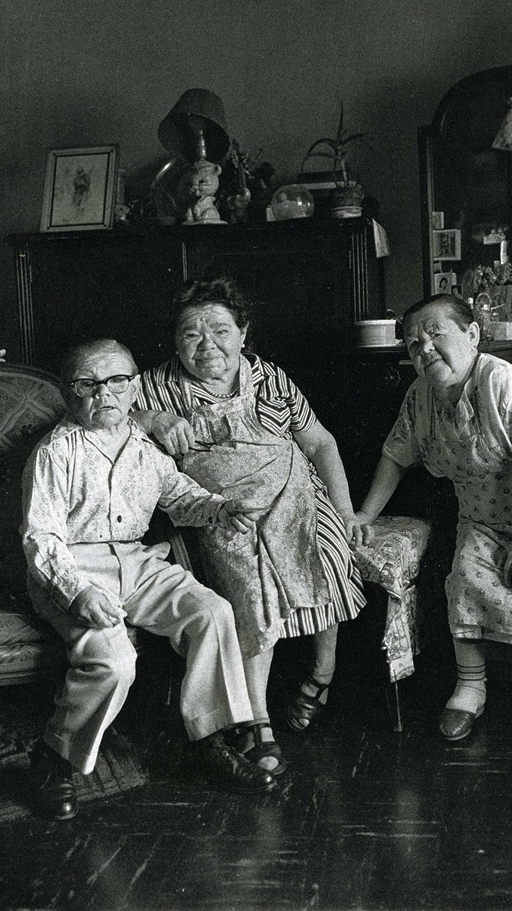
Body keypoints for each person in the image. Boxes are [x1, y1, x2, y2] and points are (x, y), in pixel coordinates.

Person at [351, 294, 512, 764]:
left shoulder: (501, 382)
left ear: (472, 335)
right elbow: (395, 455)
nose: (425, 349)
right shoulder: (420, 397)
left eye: (437, 334)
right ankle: (471, 688)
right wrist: (365, 516)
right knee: (466, 579)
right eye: (414, 343)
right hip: (485, 514)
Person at [22, 338, 276, 821]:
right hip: (73, 568)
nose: (105, 394)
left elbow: (179, 494)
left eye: (117, 381)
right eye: (88, 384)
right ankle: (53, 757)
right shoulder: (55, 451)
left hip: (136, 563)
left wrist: (221, 509)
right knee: (115, 662)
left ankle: (210, 739)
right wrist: (76, 592)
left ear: (135, 386)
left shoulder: (143, 446)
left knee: (212, 612)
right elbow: (41, 537)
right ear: (68, 394)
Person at [132, 277, 366, 777]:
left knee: (326, 550)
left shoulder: (272, 379)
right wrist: (150, 418)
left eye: (220, 330)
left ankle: (321, 676)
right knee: (247, 582)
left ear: (243, 334)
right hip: (221, 508)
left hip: (294, 493)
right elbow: (100, 410)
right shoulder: (153, 385)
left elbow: (321, 443)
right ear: (175, 342)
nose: (207, 345)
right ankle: (257, 717)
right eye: (191, 334)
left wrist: (346, 513)